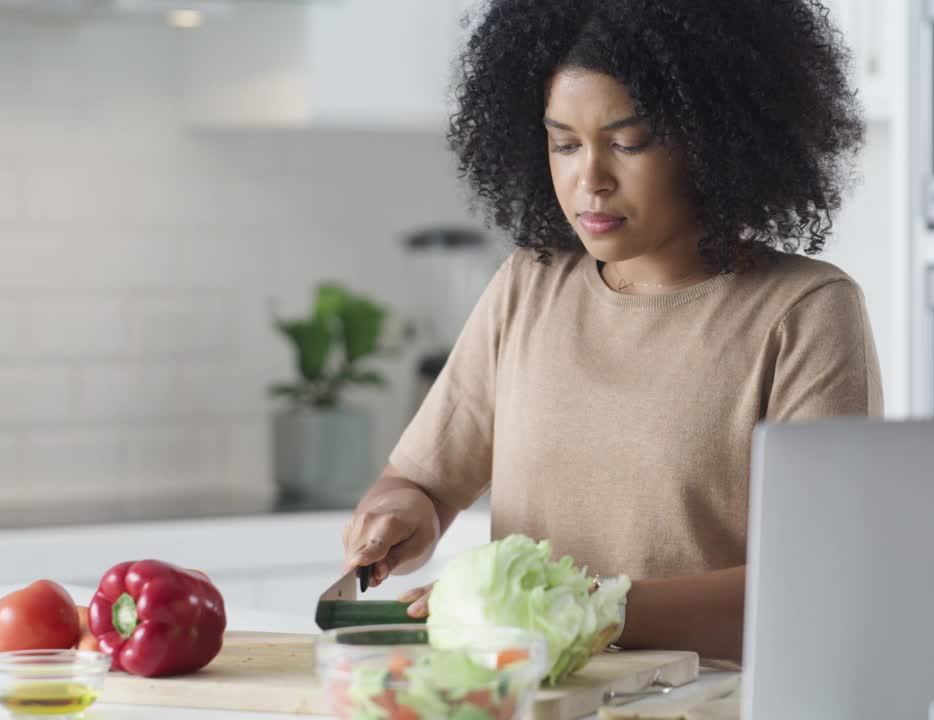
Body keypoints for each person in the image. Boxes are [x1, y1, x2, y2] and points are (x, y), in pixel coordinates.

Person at [342, 0, 880, 663]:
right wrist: (400, 512)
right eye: (564, 144)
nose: (589, 180)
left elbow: (814, 586)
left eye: (628, 143)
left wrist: (583, 606)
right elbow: (420, 482)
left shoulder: (805, 312)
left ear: (711, 137)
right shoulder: (528, 285)